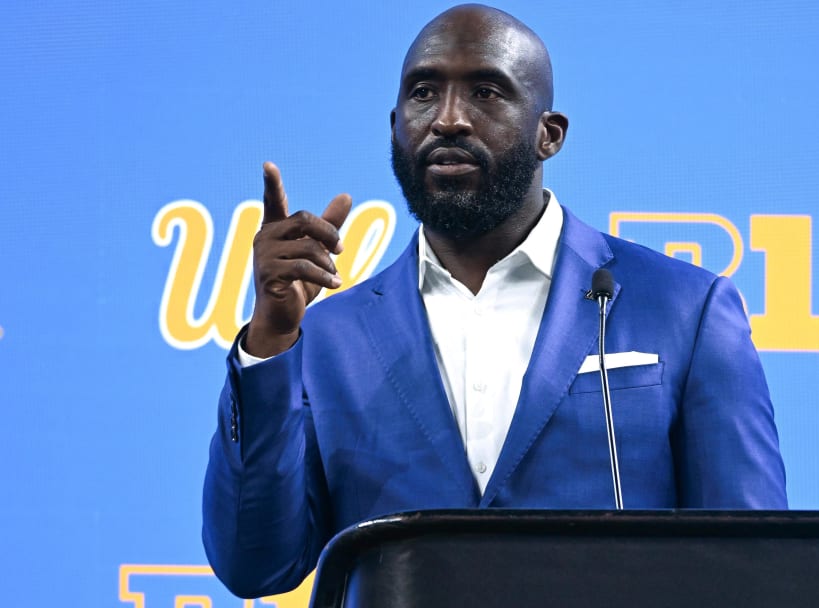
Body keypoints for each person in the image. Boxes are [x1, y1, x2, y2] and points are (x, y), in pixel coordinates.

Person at [202, 3, 786, 599]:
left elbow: (751, 562)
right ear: (396, 125)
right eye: (424, 93)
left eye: (486, 92)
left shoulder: (685, 309)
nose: (448, 119)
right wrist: (270, 342)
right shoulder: (329, 338)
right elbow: (255, 565)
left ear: (549, 134)